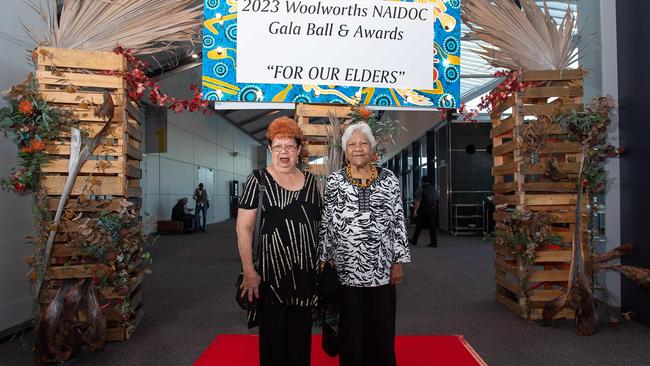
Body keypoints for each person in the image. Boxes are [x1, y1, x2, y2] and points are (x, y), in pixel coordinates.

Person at [319, 122, 410, 366]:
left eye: (363, 143)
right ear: (345, 150)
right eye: (352, 144)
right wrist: (323, 259)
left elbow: (398, 221)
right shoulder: (335, 181)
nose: (358, 148)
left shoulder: (389, 179)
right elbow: (327, 221)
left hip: (381, 270)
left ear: (372, 148)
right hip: (346, 271)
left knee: (381, 330)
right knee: (350, 332)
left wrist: (398, 261)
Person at [236, 116, 321, 366]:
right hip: (270, 278)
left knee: (300, 347)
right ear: (271, 149)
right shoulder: (258, 180)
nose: (284, 152)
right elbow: (244, 228)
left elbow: (320, 226)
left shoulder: (312, 183)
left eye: (290, 146)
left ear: (298, 150)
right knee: (273, 348)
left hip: (304, 278)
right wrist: (248, 271)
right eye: (278, 146)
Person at [410, 175, 438, 247]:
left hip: (423, 210)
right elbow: (435, 200)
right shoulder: (433, 189)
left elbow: (418, 201)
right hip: (432, 210)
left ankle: (414, 240)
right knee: (432, 227)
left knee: (418, 226)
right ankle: (434, 242)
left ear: (422, 181)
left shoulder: (421, 189)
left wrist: (415, 211)